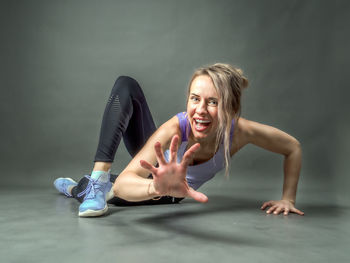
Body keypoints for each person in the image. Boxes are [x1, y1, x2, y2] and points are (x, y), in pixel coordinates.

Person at [54, 63, 304, 217]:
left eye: (213, 102)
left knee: (105, 192)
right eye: (195, 99)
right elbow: (124, 186)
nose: (201, 110)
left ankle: (78, 187)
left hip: (171, 192)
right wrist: (154, 187)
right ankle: (95, 181)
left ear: (231, 108)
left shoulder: (240, 131)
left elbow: (292, 147)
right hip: (156, 183)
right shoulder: (176, 127)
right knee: (126, 84)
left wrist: (288, 199)